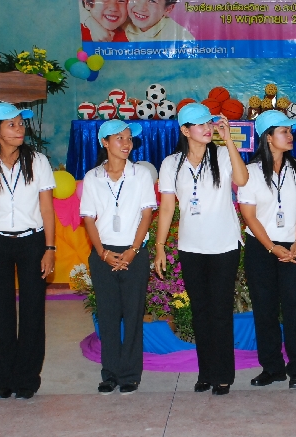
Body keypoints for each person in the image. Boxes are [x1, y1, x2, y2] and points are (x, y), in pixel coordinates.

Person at [154, 103, 248, 396]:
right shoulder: (171, 163)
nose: (208, 128)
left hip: (224, 245)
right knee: (200, 312)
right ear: (185, 131)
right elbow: (167, 207)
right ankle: (206, 372)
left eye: (209, 123)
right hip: (191, 246)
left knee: (220, 311)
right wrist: (159, 246)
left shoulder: (222, 154)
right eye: (200, 124)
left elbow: (242, 180)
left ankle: (223, 375)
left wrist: (229, 140)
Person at [0, 102, 56, 400]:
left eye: (21, 123)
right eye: (12, 125)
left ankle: (28, 379)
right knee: (1, 312)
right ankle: (5, 379)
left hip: (33, 242)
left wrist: (50, 248)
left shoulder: (38, 161)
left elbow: (47, 209)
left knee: (33, 311)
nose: (20, 129)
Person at [80, 121, 156, 395]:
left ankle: (130, 374)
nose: (126, 144)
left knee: (134, 315)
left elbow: (147, 214)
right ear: (104, 142)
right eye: (119, 138)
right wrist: (102, 252)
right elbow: (88, 218)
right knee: (108, 315)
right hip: (104, 253)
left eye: (129, 139)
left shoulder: (141, 175)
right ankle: (109, 373)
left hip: (134, 252)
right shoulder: (92, 177)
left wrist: (133, 250)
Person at [238, 110, 296, 390]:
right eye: (284, 131)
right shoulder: (251, 172)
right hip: (262, 248)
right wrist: (272, 248)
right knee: (265, 310)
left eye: (290, 131)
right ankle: (272, 368)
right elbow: (249, 216)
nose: (290, 136)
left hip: (295, 247)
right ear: (268, 137)